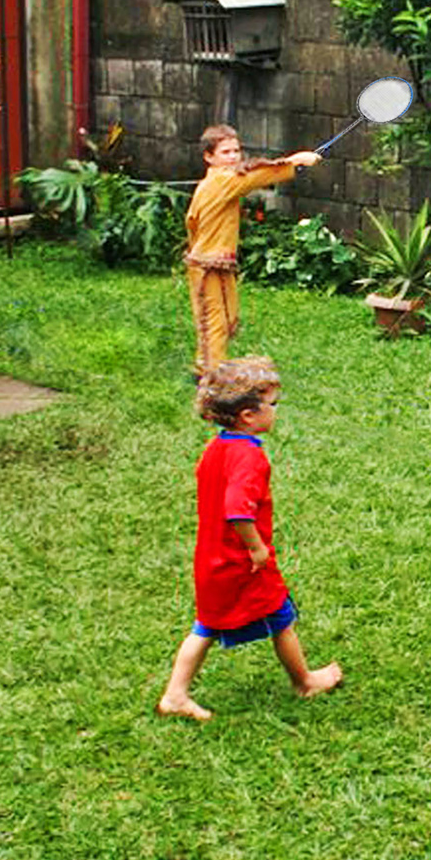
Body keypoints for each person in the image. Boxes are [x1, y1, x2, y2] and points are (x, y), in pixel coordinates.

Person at [156, 356, 342, 721]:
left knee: (208, 625)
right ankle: (305, 680)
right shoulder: (249, 458)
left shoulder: (217, 448)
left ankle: (176, 694)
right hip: (242, 562)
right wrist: (256, 547)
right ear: (247, 416)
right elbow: (237, 509)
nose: (276, 412)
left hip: (212, 558)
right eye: (272, 405)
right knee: (280, 616)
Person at [185, 124, 321, 373]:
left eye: (236, 150)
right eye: (225, 152)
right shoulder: (223, 181)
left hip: (215, 262)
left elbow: (191, 222)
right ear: (209, 157)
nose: (234, 156)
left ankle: (213, 367)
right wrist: (297, 163)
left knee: (227, 319)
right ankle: (210, 377)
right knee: (213, 321)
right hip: (207, 265)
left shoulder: (217, 181)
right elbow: (256, 176)